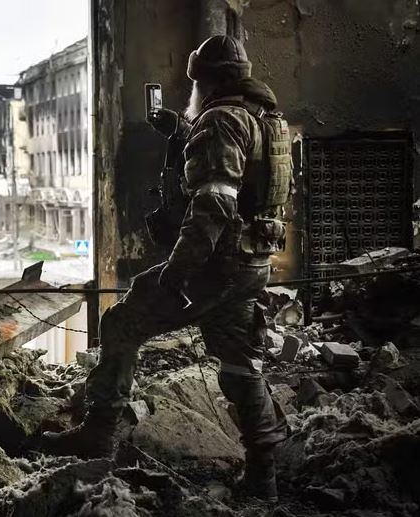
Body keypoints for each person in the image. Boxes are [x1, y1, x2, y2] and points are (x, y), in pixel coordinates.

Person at [41, 35, 291, 502]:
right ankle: (264, 476)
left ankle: (98, 435)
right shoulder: (265, 120)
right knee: (239, 361)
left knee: (119, 324)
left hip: (212, 268)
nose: (190, 88)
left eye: (195, 81)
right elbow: (247, 184)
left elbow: (214, 204)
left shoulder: (219, 121)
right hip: (251, 264)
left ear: (209, 81)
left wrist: (178, 273)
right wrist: (180, 133)